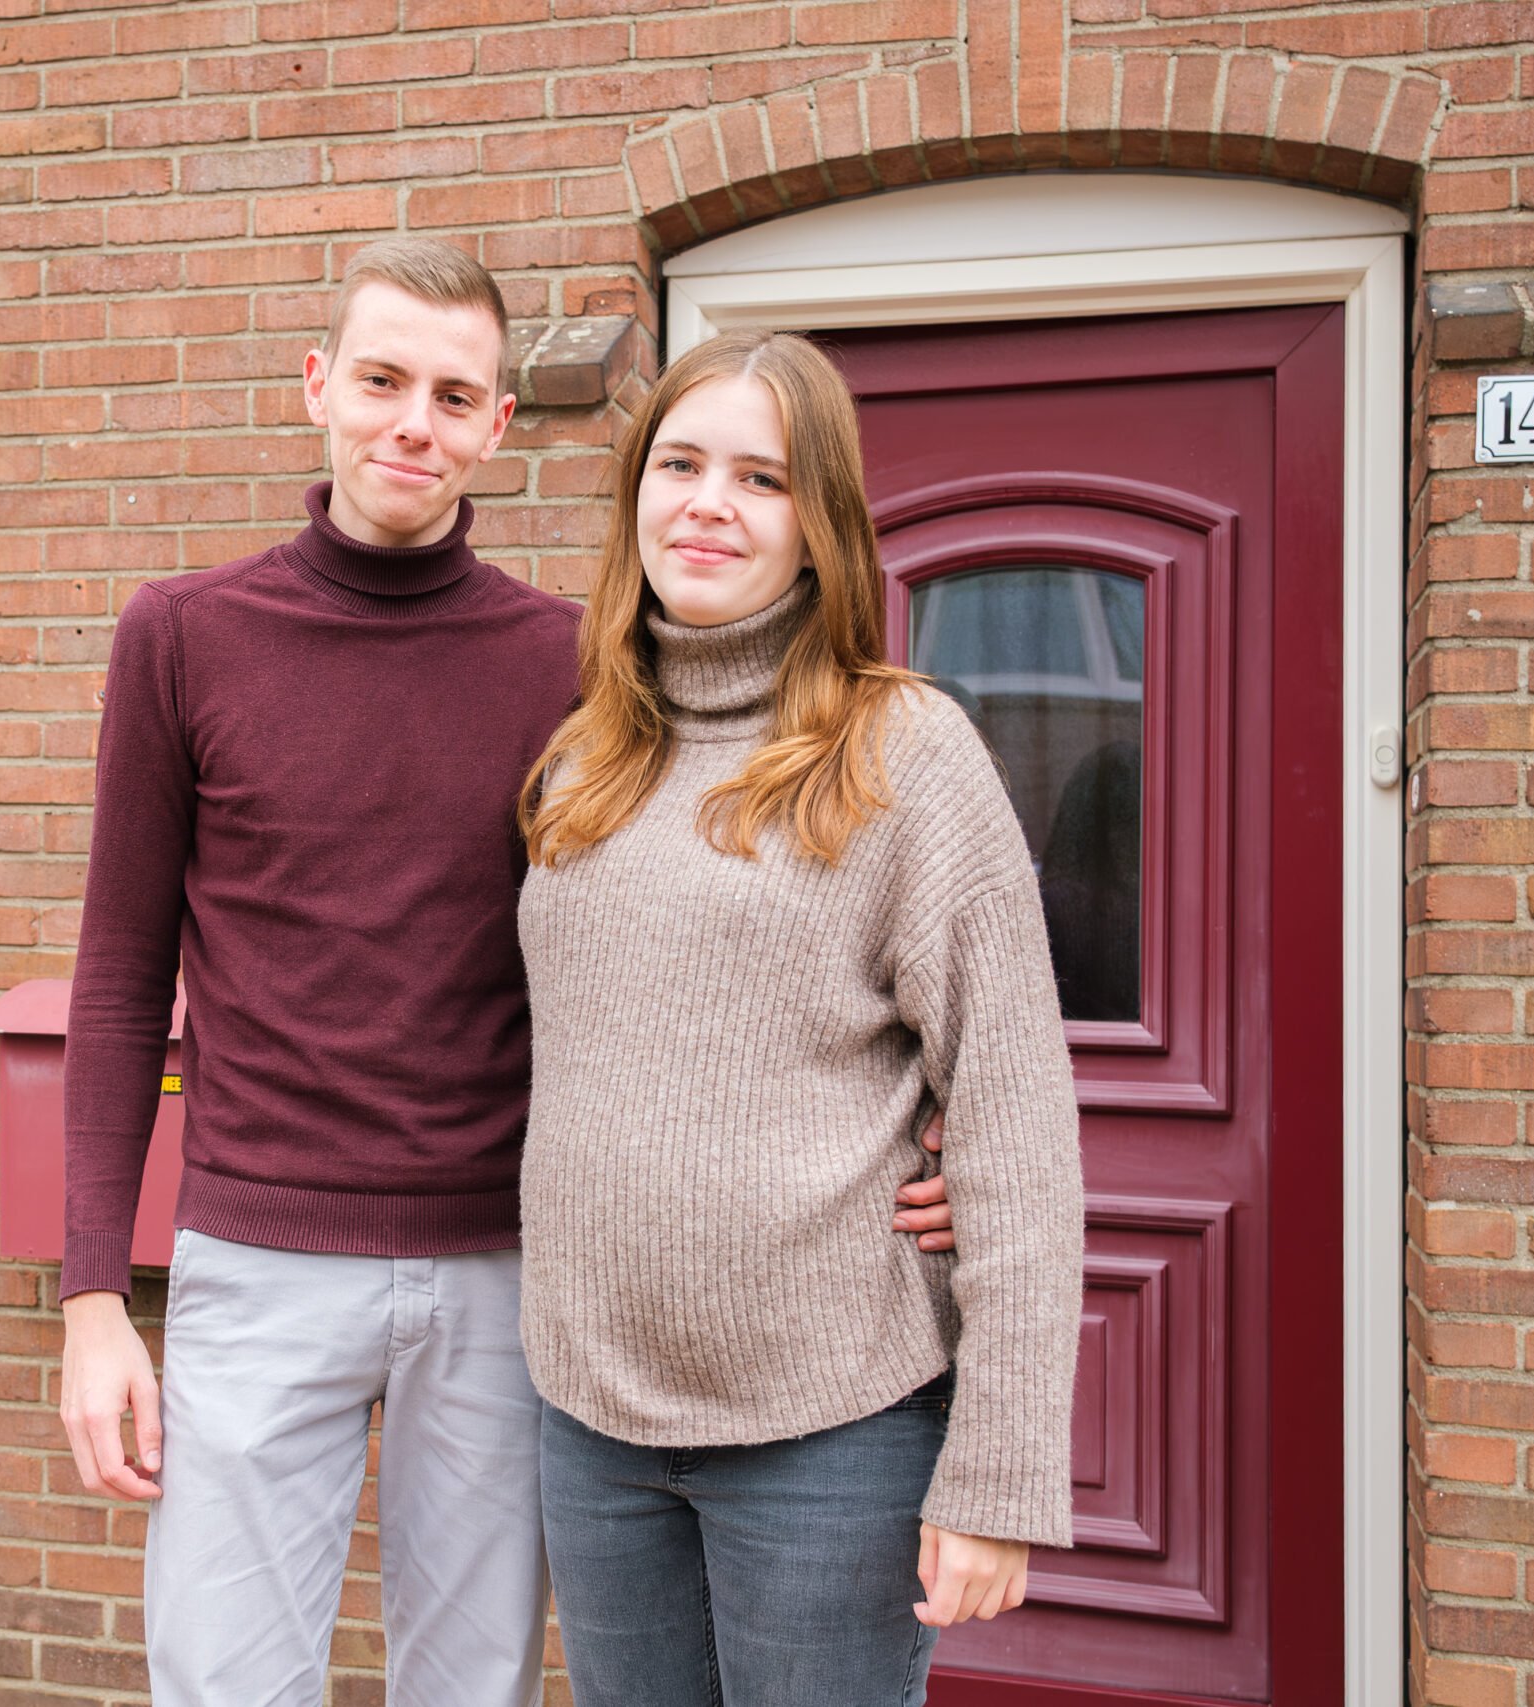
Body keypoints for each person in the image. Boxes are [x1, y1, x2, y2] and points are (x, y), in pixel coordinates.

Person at [55, 243, 962, 1707]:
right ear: (318, 387)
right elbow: (116, 980)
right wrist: (94, 1293)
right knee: (222, 1682)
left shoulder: (580, 667)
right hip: (259, 1256)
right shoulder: (184, 636)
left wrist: (929, 1134)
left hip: (507, 1270)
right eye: (382, 381)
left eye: (453, 395)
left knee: (474, 1686)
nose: (413, 423)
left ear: (496, 425)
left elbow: (720, 936)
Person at [516, 329, 1086, 1705]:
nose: (708, 505)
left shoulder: (905, 753)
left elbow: (1016, 1122)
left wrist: (1000, 1470)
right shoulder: (587, 754)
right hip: (594, 1426)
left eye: (760, 478)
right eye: (680, 465)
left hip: (831, 1437)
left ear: (819, 522)